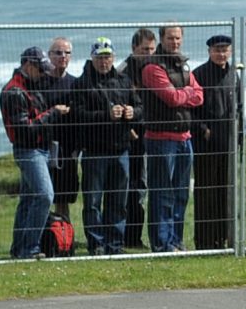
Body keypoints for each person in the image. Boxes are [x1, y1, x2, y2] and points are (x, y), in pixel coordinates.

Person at [136, 25, 205, 253]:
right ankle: (161, 242)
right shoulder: (152, 67)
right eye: (170, 38)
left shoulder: (183, 65)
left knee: (181, 194)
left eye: (178, 38)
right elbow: (172, 98)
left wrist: (182, 93)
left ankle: (176, 240)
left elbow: (200, 95)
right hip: (161, 139)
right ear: (162, 39)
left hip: (184, 138)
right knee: (162, 193)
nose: (174, 42)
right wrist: (186, 93)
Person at [70, 37, 138, 256]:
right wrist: (106, 115)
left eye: (107, 56)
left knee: (118, 201)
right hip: (94, 152)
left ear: (113, 57)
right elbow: (77, 116)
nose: (103, 61)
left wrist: (132, 113)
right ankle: (96, 244)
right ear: (92, 58)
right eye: (99, 57)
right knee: (93, 202)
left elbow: (140, 106)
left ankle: (115, 244)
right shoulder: (81, 83)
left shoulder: (124, 80)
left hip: (120, 150)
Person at [0, 45, 61, 261]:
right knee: (45, 195)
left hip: (40, 148)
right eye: (40, 69)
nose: (44, 73)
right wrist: (52, 114)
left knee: (28, 199)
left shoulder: (30, 85)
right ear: (28, 65)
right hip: (29, 150)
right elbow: (25, 130)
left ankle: (19, 249)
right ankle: (30, 248)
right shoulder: (15, 91)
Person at [190, 33, 239, 251]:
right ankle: (205, 241)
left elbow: (238, 105)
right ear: (209, 51)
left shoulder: (233, 74)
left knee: (225, 193)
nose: (221, 54)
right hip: (206, 143)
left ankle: (224, 239)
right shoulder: (199, 74)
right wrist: (203, 130)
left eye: (225, 50)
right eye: (217, 50)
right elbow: (191, 109)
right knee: (206, 193)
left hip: (228, 143)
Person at [122, 27, 158, 249]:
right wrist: (129, 129)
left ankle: (138, 236)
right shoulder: (123, 72)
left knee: (145, 187)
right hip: (131, 139)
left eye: (152, 49)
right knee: (132, 188)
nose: (149, 54)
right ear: (134, 48)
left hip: (153, 135)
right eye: (145, 49)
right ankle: (130, 237)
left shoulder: (155, 69)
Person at [41, 36, 82, 227]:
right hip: (44, 146)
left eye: (67, 53)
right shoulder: (40, 83)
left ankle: (64, 234)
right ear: (49, 56)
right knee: (44, 193)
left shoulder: (76, 84)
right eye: (58, 52)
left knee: (64, 196)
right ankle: (44, 232)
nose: (62, 56)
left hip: (68, 148)